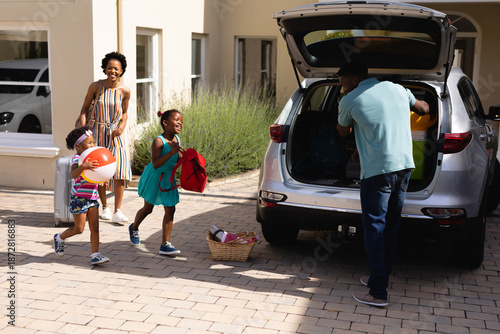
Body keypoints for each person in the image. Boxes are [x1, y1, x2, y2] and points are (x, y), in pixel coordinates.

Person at [336, 61, 429, 307]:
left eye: (342, 82)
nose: (340, 87)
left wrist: (354, 117)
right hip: (404, 167)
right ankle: (380, 277)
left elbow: (342, 131)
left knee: (374, 228)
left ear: (354, 80)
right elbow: (423, 108)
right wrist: (421, 103)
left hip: (377, 172)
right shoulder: (397, 89)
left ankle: (378, 292)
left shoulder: (349, 100)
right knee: (390, 226)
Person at [78, 51, 132, 223]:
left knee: (120, 171)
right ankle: (105, 207)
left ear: (122, 70)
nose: (113, 71)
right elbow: (84, 109)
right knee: (100, 171)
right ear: (105, 69)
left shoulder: (125, 91)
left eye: (116, 69)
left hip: (115, 135)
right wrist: (87, 131)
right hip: (97, 133)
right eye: (110, 68)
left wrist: (122, 125)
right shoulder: (96, 86)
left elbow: (125, 112)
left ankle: (118, 210)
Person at [128, 109, 184, 255]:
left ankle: (165, 244)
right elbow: (156, 163)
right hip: (156, 177)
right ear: (165, 123)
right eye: (176, 120)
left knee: (170, 209)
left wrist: (186, 158)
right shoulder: (158, 140)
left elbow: (177, 159)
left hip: (169, 178)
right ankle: (134, 228)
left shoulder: (177, 140)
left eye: (181, 121)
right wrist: (171, 153)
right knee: (148, 208)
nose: (180, 123)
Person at [54, 126, 110, 265]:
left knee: (95, 228)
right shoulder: (78, 159)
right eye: (89, 142)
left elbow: (97, 174)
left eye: (93, 142)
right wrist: (83, 166)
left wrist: (102, 180)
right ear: (78, 146)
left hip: (92, 197)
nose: (93, 145)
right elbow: (73, 174)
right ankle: (59, 238)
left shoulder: (94, 157)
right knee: (79, 229)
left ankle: (95, 255)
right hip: (79, 198)